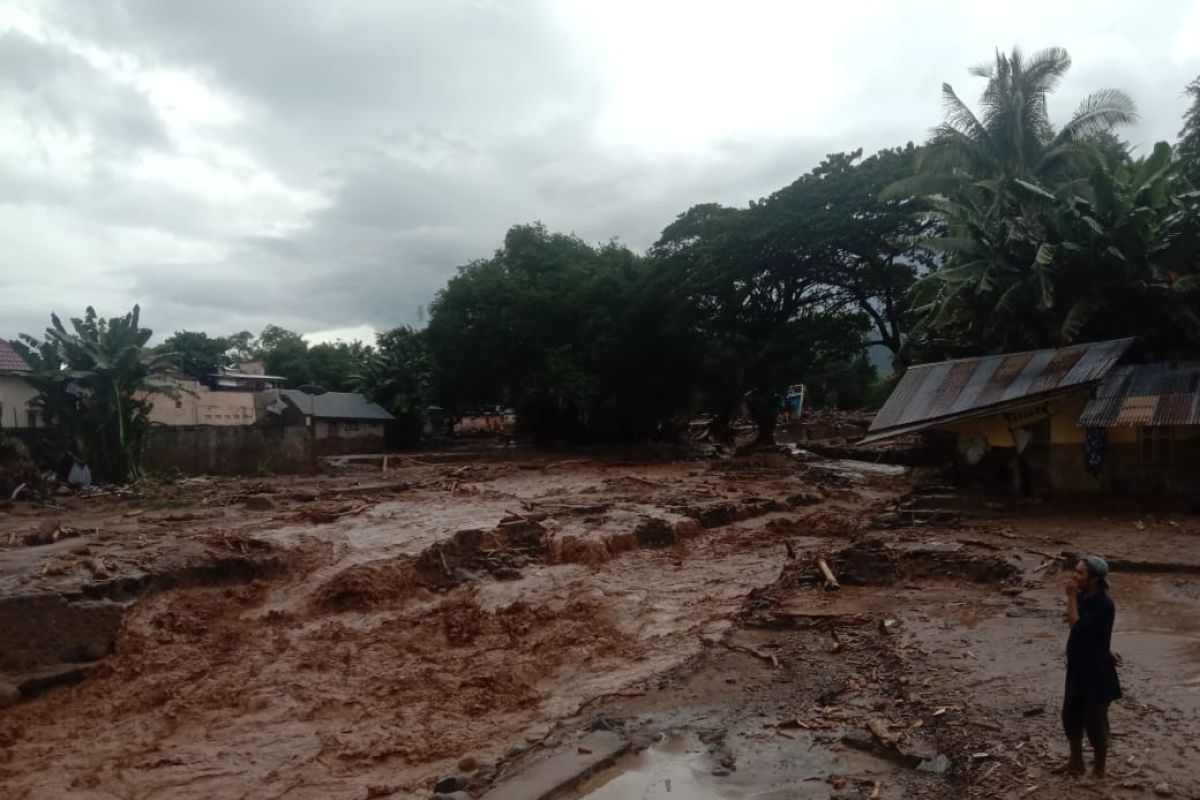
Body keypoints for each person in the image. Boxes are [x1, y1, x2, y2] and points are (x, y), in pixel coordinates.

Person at [1062, 556, 1122, 778]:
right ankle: (1075, 762)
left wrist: (1070, 599)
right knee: (1071, 717)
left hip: (1096, 674)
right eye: (1075, 571)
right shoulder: (1082, 597)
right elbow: (1093, 634)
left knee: (1095, 723)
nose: (1075, 576)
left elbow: (1076, 627)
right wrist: (1106, 649)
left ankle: (1099, 769)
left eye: (1080, 573)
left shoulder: (1105, 605)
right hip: (1077, 669)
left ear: (1095, 579)